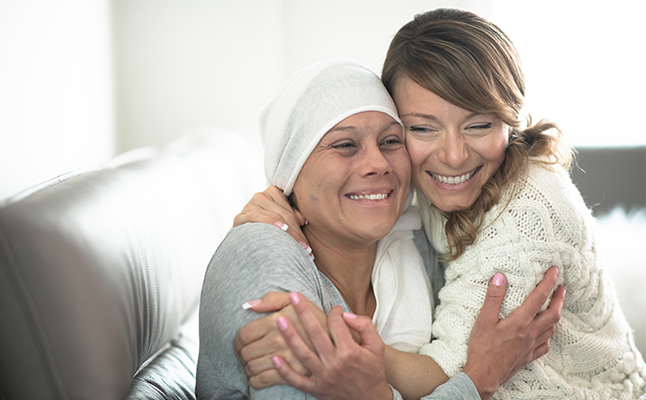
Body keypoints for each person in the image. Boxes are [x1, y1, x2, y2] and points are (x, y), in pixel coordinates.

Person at [232, 7, 646, 400]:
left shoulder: (527, 214)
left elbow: (446, 374)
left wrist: (325, 335)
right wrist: (276, 199)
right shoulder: (421, 176)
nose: (452, 156)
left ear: (511, 119)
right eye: (422, 128)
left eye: (479, 125)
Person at [196, 59, 562, 400]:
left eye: (390, 141)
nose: (378, 164)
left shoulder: (416, 239)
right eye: (345, 145)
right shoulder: (264, 255)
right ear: (289, 168)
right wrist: (479, 380)